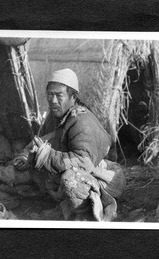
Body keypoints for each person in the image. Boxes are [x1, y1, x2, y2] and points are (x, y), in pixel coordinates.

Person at [14, 68, 126, 221]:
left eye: (59, 95)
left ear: (73, 97)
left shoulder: (81, 122)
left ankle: (83, 213)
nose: (53, 100)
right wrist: (26, 155)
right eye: (50, 94)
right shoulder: (57, 113)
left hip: (99, 175)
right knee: (28, 170)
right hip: (75, 165)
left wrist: (47, 156)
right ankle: (61, 205)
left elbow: (83, 162)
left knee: (70, 180)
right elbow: (44, 139)